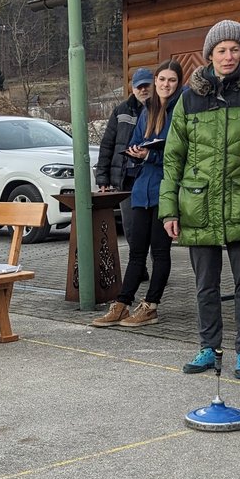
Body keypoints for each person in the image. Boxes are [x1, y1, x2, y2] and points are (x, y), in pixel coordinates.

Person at [159, 19, 240, 379]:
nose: (228, 56)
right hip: (199, 205)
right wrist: (169, 207)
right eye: (221, 50)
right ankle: (208, 349)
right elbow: (174, 158)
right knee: (205, 285)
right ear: (209, 54)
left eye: (234, 49)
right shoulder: (189, 97)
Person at [93, 60, 183, 329]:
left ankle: (151, 305)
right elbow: (132, 141)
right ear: (156, 82)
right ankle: (122, 303)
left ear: (179, 84)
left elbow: (179, 152)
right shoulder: (148, 110)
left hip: (165, 189)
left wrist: (151, 153)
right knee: (136, 252)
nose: (165, 85)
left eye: (172, 80)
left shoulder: (181, 109)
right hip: (142, 188)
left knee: (160, 252)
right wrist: (137, 152)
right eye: (162, 80)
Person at [94, 66, 154, 241]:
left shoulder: (162, 109)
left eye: (146, 85)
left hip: (152, 176)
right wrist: (102, 178)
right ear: (132, 89)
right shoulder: (121, 111)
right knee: (131, 229)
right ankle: (139, 268)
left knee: (153, 231)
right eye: (139, 87)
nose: (143, 90)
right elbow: (107, 145)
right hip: (126, 180)